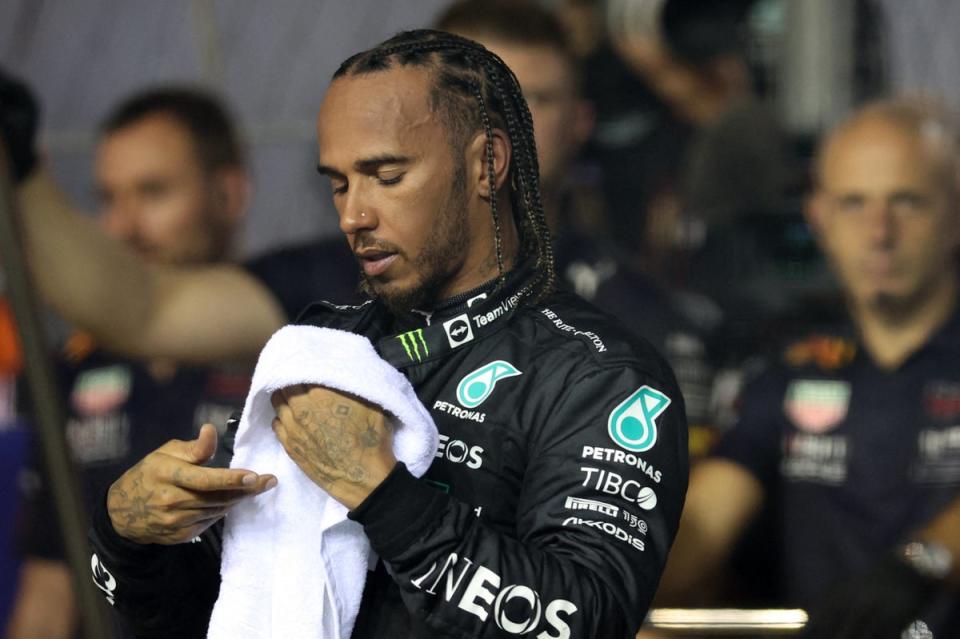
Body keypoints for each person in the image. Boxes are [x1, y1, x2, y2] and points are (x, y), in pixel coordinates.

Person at [87, 30, 688, 637]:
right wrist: (126, 536)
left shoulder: (601, 375)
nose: (353, 216)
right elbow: (234, 606)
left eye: (386, 175)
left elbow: (588, 622)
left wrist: (382, 494)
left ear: (488, 163)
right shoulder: (323, 345)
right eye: (340, 182)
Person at [655, 99, 960, 638]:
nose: (879, 232)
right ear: (818, 217)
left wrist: (926, 559)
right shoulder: (788, 372)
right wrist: (600, 569)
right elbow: (703, 525)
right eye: (853, 204)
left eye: (907, 202)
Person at [5, 87, 258, 639]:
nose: (123, 226)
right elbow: (52, 581)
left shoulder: (293, 349)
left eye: (152, 192)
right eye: (108, 198)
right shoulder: (68, 375)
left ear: (229, 194)